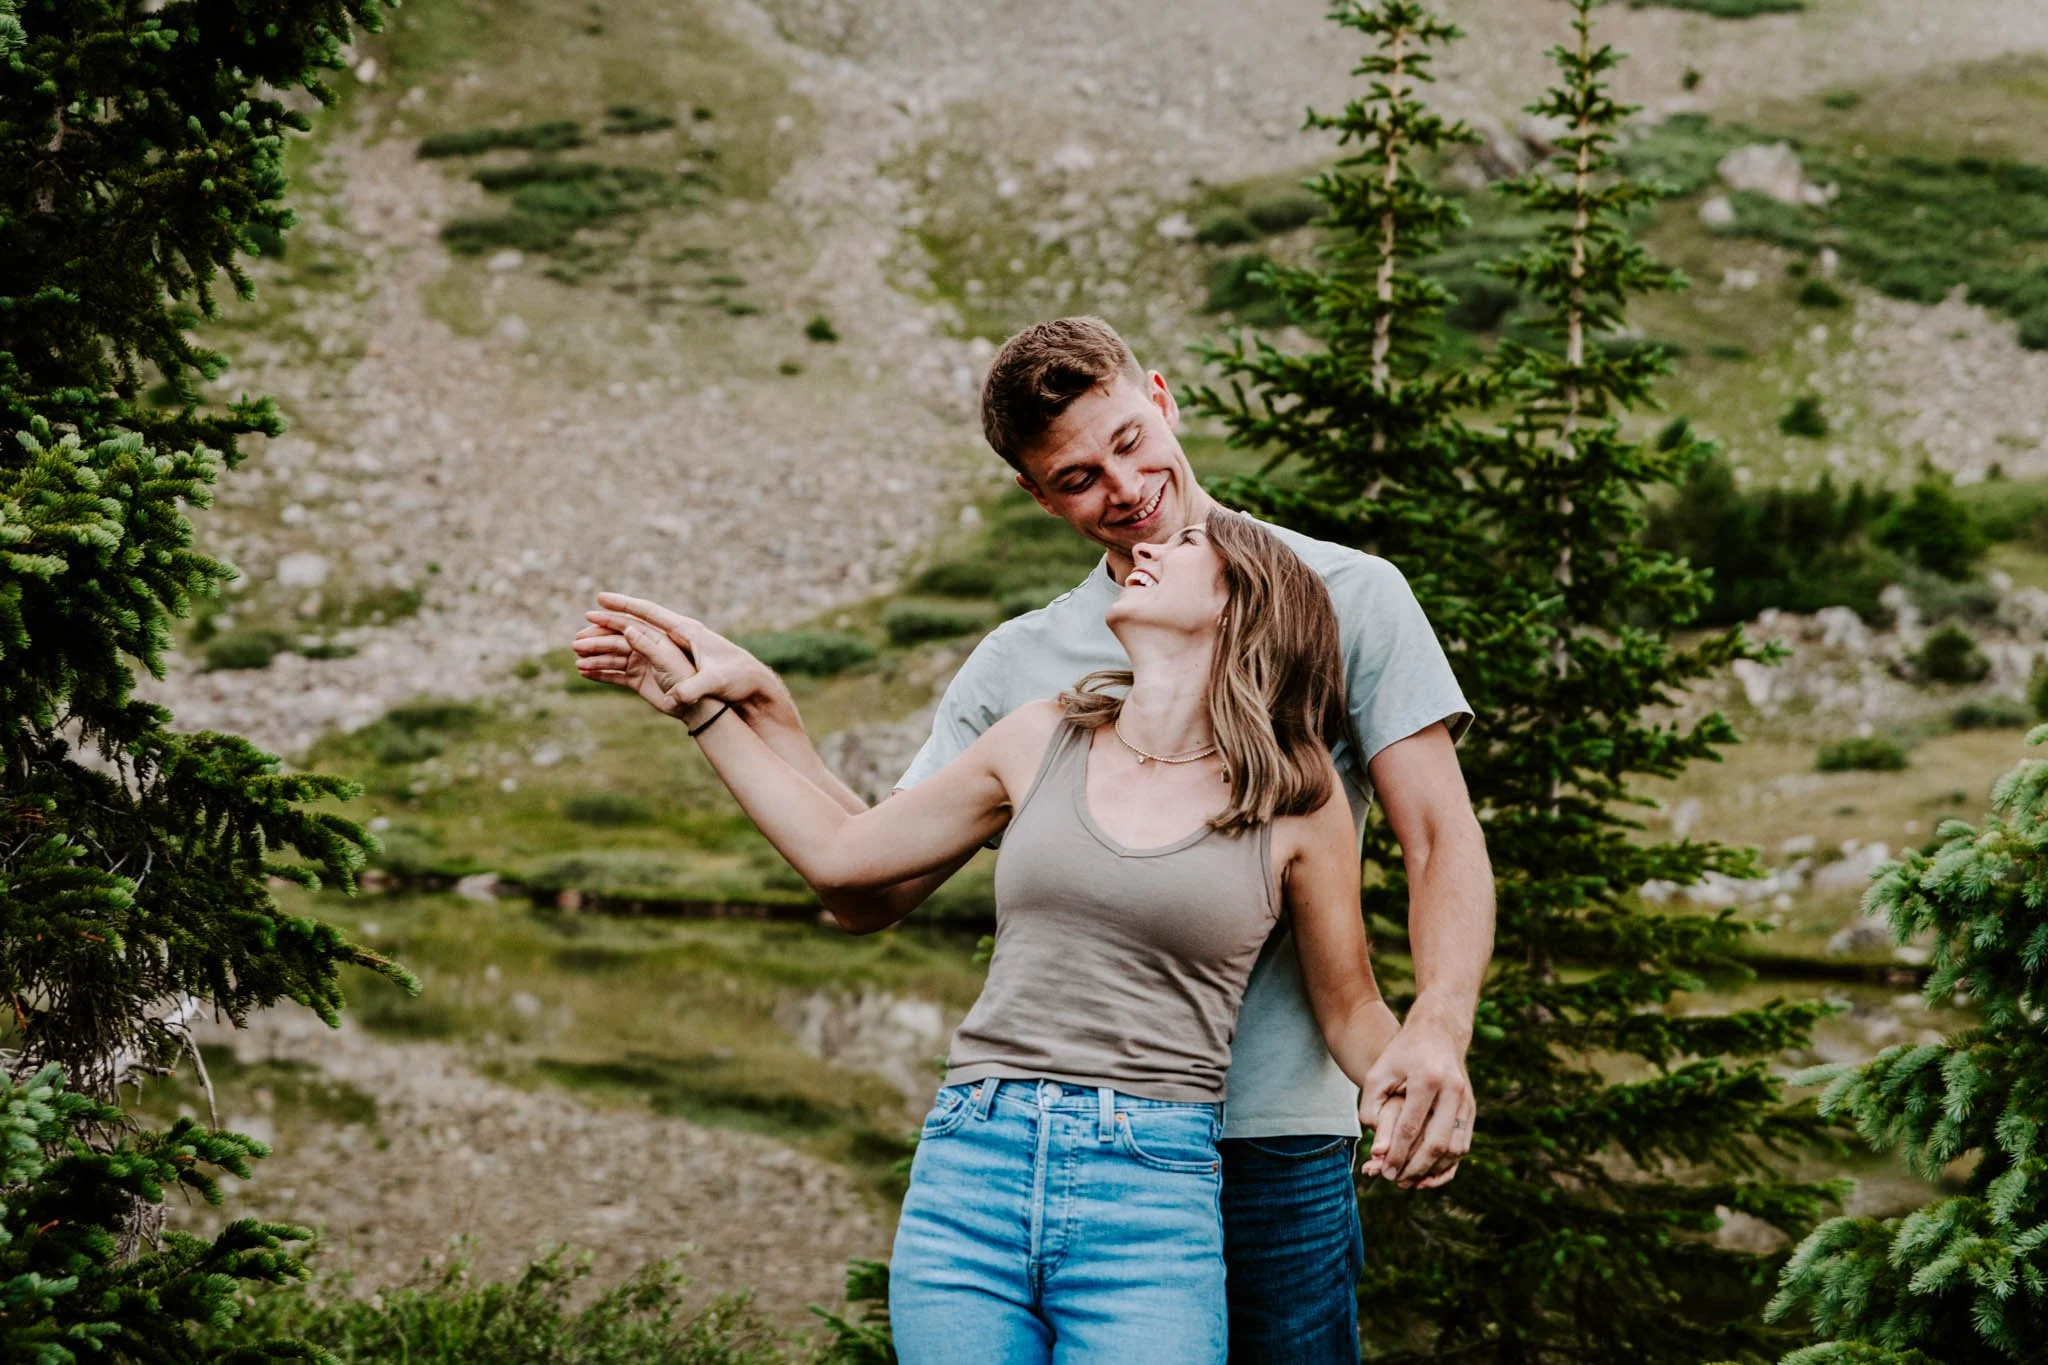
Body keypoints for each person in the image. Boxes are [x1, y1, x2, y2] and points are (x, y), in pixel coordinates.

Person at [576, 316, 1495, 1361]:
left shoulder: (1342, 598)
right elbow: (865, 881)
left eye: (1129, 441)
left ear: (1160, 395)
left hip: (1272, 1138)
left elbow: (1436, 836)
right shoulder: (1025, 672)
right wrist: (764, 714)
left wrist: (1437, 1031)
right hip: (1019, 1145)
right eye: (1074, 478)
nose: (1124, 487)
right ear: (1035, 494)